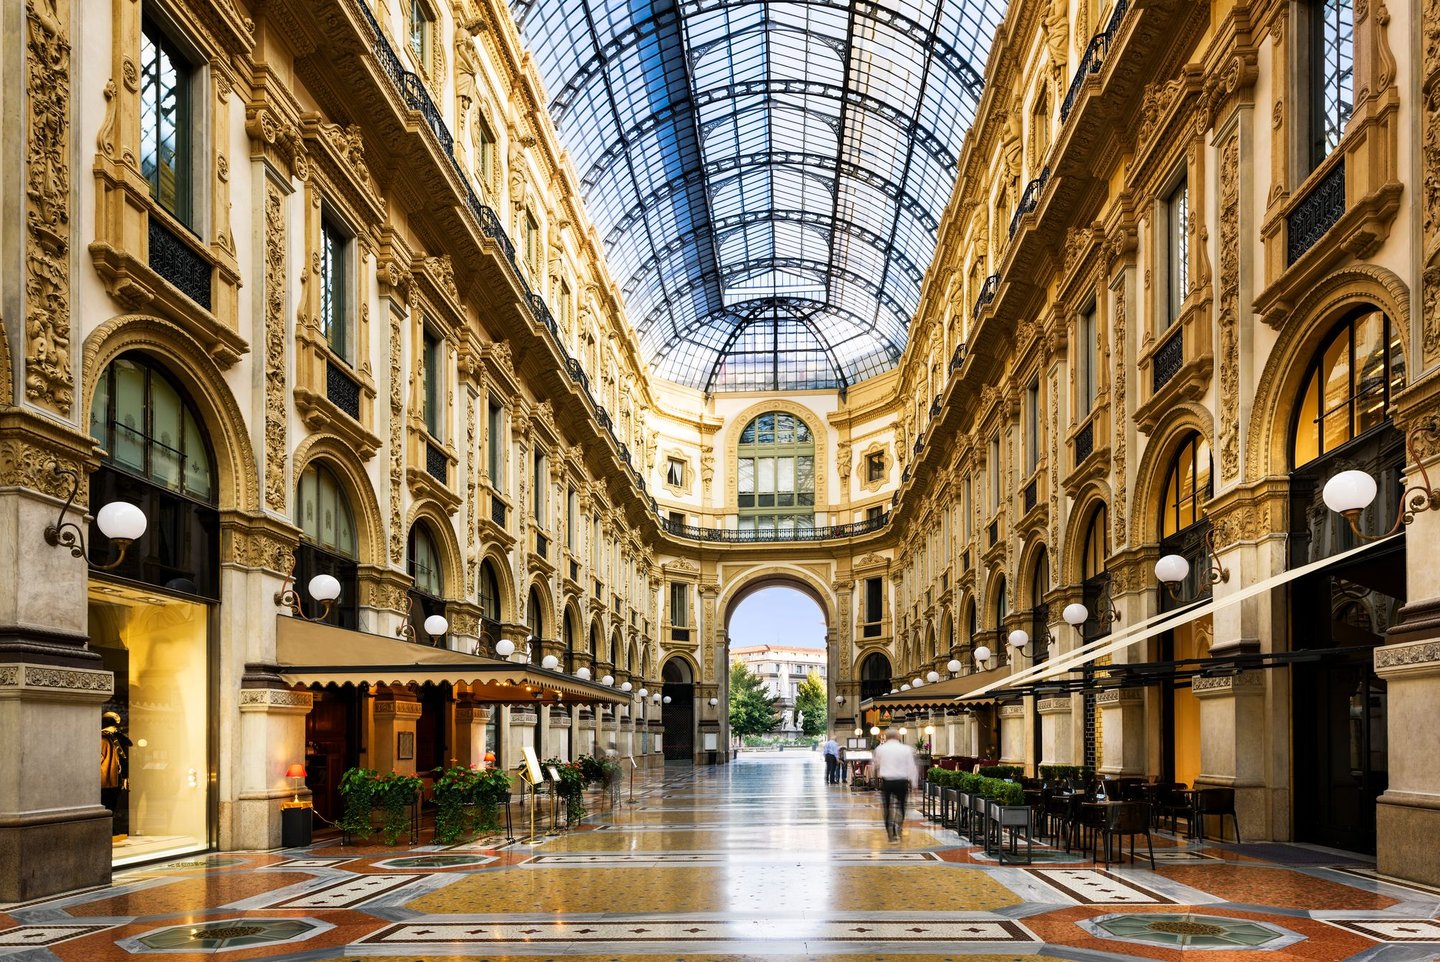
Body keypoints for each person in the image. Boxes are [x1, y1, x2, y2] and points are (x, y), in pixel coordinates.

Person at [872, 731, 919, 840]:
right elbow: (911, 767)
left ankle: (889, 832)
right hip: (901, 781)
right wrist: (914, 784)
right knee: (901, 805)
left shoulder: (880, 749)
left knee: (887, 807)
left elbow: (875, 764)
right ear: (898, 737)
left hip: (887, 782)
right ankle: (898, 826)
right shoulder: (906, 749)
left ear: (886, 737)